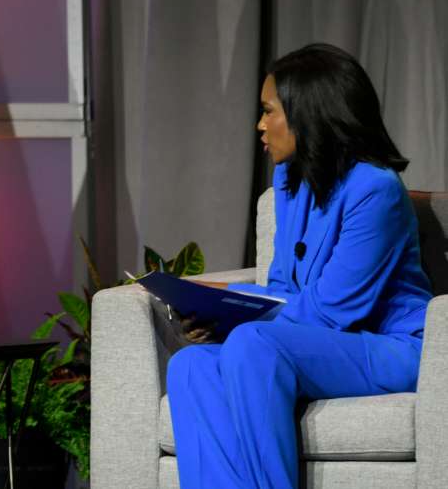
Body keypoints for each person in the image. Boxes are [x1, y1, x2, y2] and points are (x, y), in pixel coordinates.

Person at [165, 43, 433, 488]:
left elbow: (331, 312)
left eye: (269, 111)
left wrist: (229, 308)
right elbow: (281, 287)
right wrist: (214, 311)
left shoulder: (376, 191)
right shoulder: (291, 180)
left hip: (391, 348)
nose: (260, 125)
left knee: (255, 344)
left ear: (308, 113)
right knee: (190, 366)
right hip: (318, 343)